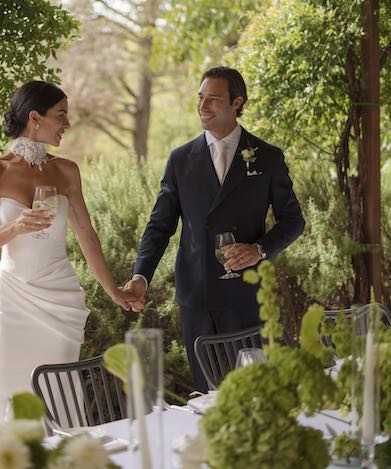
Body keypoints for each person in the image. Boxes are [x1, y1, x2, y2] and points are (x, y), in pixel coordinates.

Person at [0, 80, 141, 434]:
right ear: (35, 117)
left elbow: (87, 236)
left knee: (59, 397)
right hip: (13, 300)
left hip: (61, 300)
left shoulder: (66, 171)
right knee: (3, 394)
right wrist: (13, 228)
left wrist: (113, 291)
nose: (67, 124)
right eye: (61, 115)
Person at [123, 67, 305, 393]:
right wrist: (141, 275)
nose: (203, 106)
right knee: (210, 394)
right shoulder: (180, 159)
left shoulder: (268, 157)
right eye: (201, 98)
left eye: (214, 99)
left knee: (256, 391)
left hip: (248, 297)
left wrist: (260, 249)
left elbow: (293, 220)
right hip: (197, 298)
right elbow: (159, 225)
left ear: (237, 103)